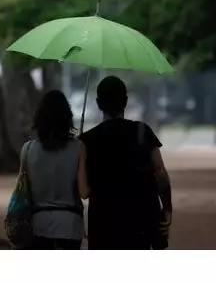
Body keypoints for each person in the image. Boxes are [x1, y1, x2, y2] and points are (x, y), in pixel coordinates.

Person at [78, 76, 173, 250]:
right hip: (139, 222)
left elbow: (84, 191)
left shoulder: (86, 141)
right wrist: (167, 208)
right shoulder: (142, 132)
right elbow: (160, 173)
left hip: (103, 224)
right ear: (126, 102)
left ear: (98, 103)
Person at [20, 90, 85, 249]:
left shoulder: (27, 150)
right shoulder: (79, 147)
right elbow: (84, 192)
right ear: (67, 118)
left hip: (37, 225)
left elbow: (22, 192)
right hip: (70, 226)